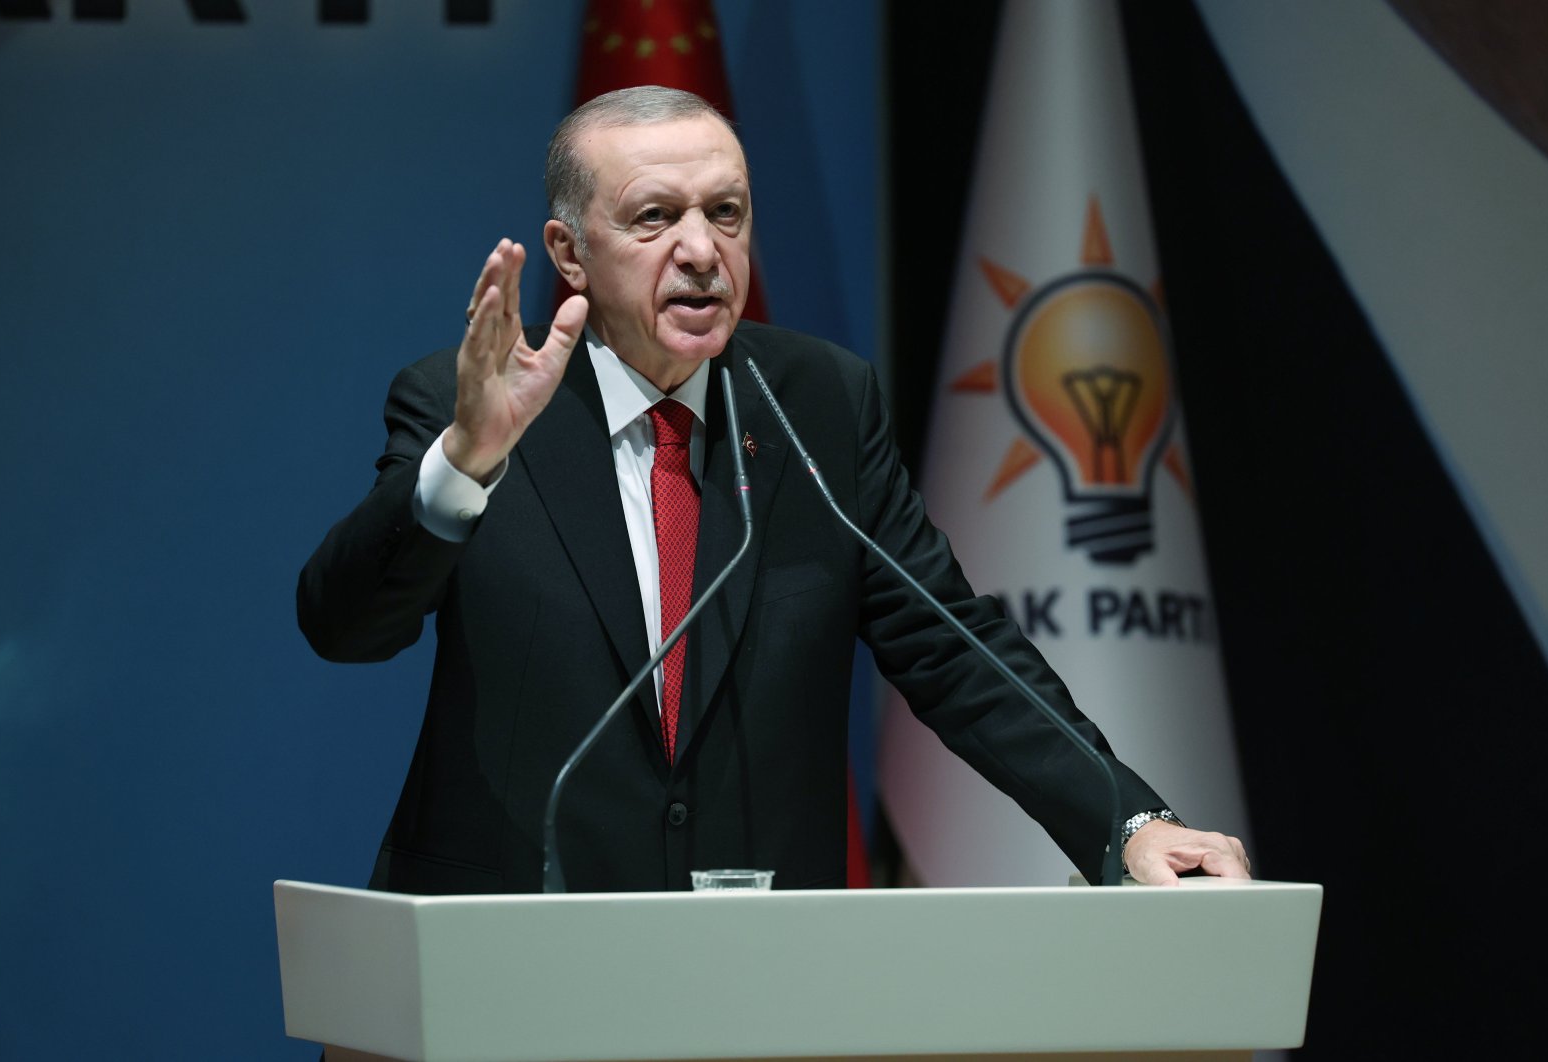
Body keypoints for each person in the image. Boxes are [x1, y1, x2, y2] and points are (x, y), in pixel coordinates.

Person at [297, 85, 1249, 894]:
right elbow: (344, 627)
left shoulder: (820, 404)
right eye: (654, 216)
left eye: (726, 211)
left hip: (755, 960)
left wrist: (1127, 821)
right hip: (506, 946)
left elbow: (954, 646)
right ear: (569, 252)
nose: (703, 250)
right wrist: (464, 463)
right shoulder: (470, 405)